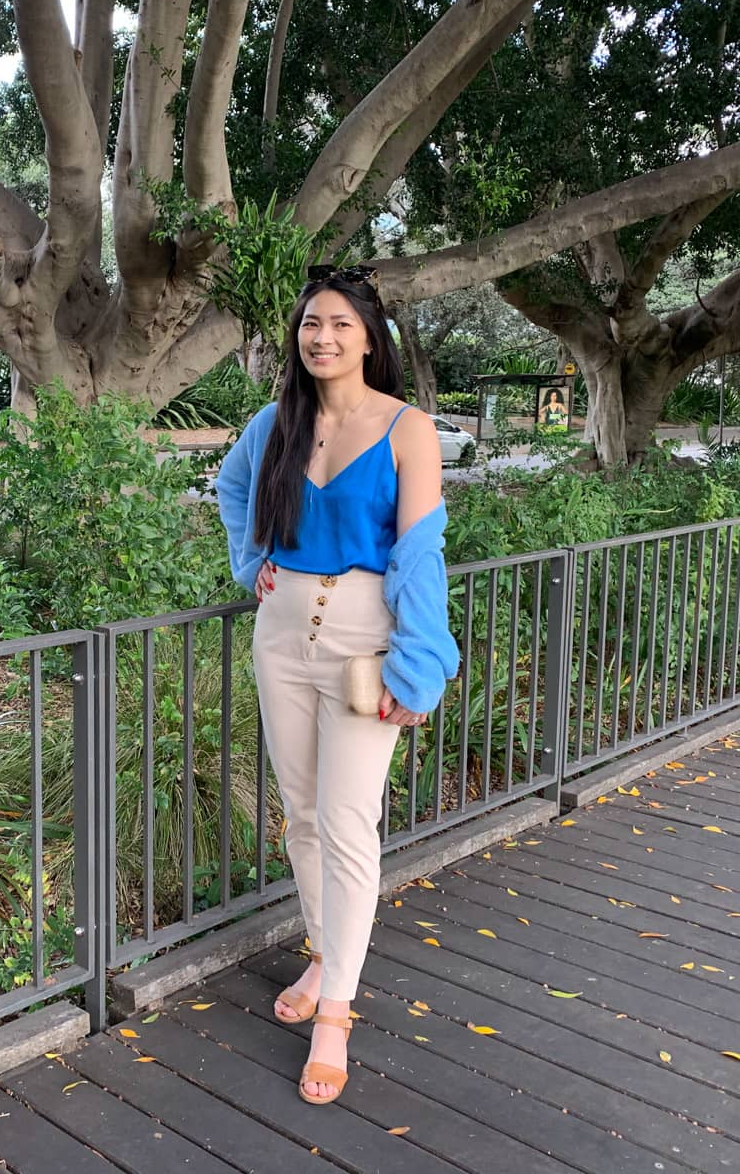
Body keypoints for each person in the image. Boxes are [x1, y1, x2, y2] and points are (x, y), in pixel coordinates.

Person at [215, 265, 459, 1107]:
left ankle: (336, 1016)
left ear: (370, 337)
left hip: (365, 636)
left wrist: (420, 664)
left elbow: (420, 550)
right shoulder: (276, 422)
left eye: (340, 325)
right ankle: (324, 955)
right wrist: (252, 562)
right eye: (310, 325)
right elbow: (233, 488)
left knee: (350, 822)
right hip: (281, 633)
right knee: (305, 813)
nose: (322, 338)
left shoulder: (407, 429)